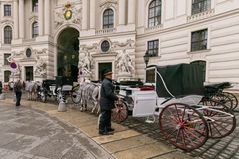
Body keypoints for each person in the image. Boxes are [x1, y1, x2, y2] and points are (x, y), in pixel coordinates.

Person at [99, 69, 118, 135]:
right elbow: (108, 93)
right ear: (106, 75)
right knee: (104, 116)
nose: (111, 75)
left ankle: (108, 127)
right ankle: (102, 130)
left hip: (107, 101)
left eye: (111, 74)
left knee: (108, 115)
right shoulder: (107, 82)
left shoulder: (107, 81)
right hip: (105, 101)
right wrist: (116, 97)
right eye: (109, 74)